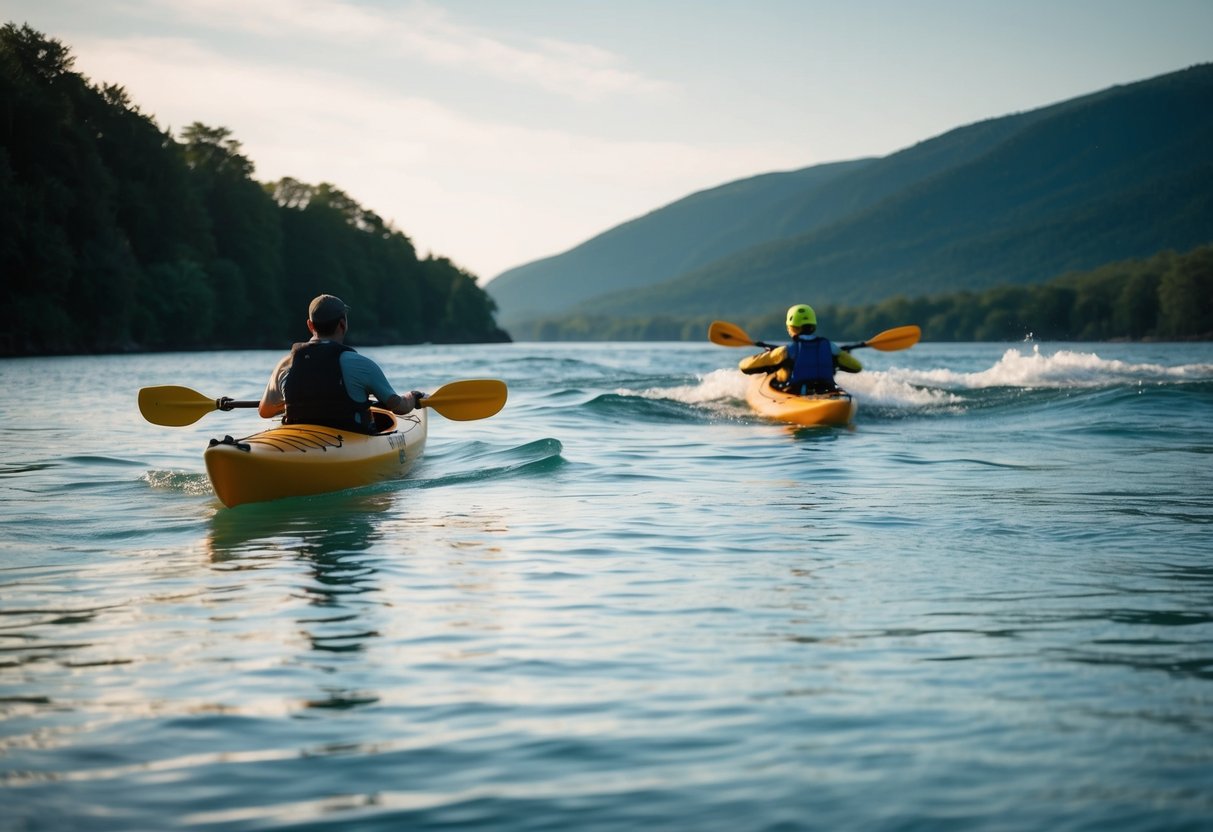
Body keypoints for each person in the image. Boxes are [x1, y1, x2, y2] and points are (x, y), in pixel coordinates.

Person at [259, 294, 425, 433]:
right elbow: (400, 407)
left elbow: (265, 411)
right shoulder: (361, 365)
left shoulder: (286, 364)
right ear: (342, 324)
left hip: (299, 438)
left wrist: (299, 400)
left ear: (310, 325)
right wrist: (413, 396)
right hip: (347, 440)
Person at [738, 303, 862, 394]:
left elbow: (744, 366)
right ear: (813, 326)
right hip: (826, 391)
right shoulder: (830, 347)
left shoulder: (785, 351)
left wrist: (771, 356)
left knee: (780, 370)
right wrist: (838, 357)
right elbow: (856, 367)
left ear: (790, 327)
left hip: (796, 394)